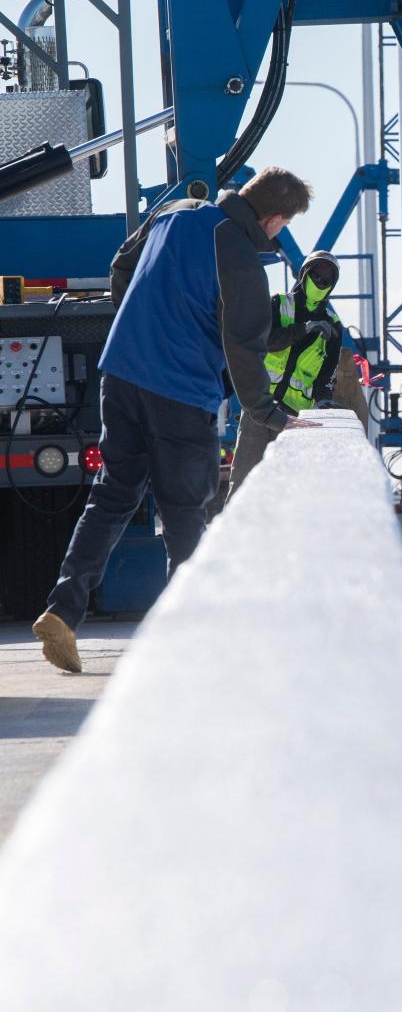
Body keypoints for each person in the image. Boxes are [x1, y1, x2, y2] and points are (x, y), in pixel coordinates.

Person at [32, 166, 314, 674]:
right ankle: (190, 639)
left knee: (112, 495)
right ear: (273, 220)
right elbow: (245, 343)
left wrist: (144, 323)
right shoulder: (242, 258)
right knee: (185, 514)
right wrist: (269, 413)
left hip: (120, 373)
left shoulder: (175, 214)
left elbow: (121, 266)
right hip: (181, 395)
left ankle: (61, 611)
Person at [226, 249, 343, 498]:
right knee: (243, 486)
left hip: (295, 419)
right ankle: (238, 537)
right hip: (260, 408)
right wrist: (303, 329)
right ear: (304, 275)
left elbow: (327, 374)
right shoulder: (278, 304)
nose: (320, 283)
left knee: (287, 493)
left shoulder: (333, 326)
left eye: (327, 280)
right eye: (316, 275)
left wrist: (324, 398)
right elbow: (264, 342)